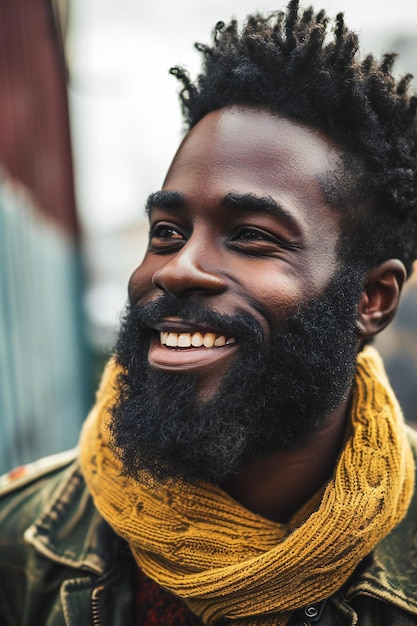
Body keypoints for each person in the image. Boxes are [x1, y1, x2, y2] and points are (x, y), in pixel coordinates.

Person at [1, 1, 417, 624]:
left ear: (372, 299)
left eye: (251, 236)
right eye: (167, 231)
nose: (174, 269)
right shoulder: (17, 544)